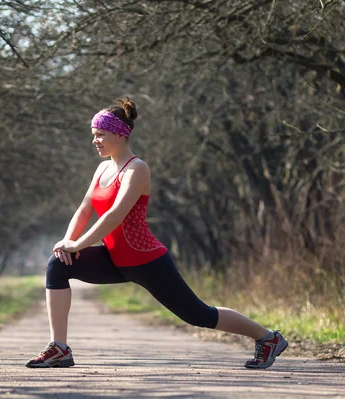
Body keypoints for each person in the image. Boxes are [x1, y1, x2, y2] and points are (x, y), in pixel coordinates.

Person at [25, 97, 288, 370]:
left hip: (145, 260)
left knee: (198, 314)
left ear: (120, 133)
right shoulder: (102, 168)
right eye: (94, 135)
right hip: (114, 260)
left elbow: (115, 215)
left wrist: (79, 244)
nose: (95, 141)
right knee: (58, 264)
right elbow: (84, 209)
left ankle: (268, 337)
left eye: (100, 135)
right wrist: (68, 242)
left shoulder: (137, 169)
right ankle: (59, 348)